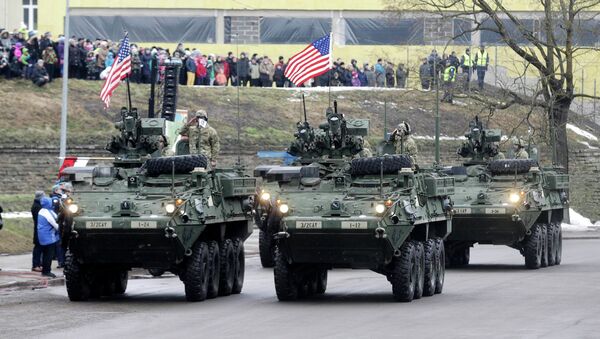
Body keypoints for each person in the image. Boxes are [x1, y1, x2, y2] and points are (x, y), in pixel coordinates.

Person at [37, 197, 60, 278]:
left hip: (42, 236)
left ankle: (45, 270)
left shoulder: (41, 211)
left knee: (45, 254)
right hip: (49, 237)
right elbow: (55, 224)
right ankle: (47, 271)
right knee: (48, 255)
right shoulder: (47, 213)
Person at [31, 191, 44, 272]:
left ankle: (38, 264)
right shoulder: (36, 206)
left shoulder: (38, 205)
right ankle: (35, 265)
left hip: (39, 229)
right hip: (38, 230)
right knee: (38, 248)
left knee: (40, 248)